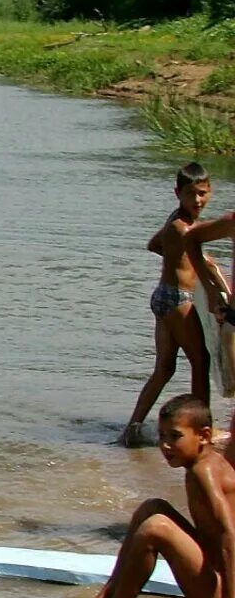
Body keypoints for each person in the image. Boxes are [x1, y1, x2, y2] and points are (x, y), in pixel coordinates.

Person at [59, 394, 235, 598]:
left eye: (175, 436)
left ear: (204, 436)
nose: (165, 445)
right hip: (218, 579)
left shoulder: (204, 472)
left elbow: (230, 535)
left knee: (157, 528)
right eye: (162, 436)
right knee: (151, 507)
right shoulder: (204, 464)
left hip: (225, 594)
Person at [120, 162, 229, 446]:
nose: (197, 201)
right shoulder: (184, 228)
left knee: (165, 369)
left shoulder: (175, 222)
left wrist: (179, 258)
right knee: (200, 362)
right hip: (178, 299)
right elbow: (201, 271)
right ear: (177, 193)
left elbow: (154, 244)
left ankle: (132, 428)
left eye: (202, 193)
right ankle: (202, 430)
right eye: (190, 194)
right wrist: (214, 296)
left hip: (163, 296)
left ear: (210, 191)